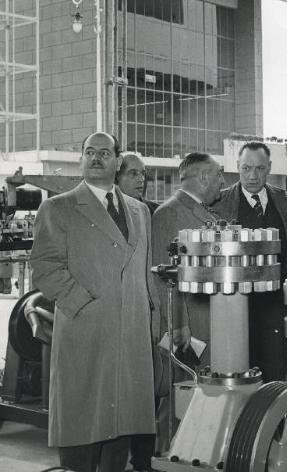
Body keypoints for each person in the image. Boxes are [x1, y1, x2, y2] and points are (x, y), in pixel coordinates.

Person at [30, 132, 159, 472]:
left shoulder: (140, 211)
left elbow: (145, 275)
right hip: (84, 335)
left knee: (121, 436)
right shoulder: (57, 208)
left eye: (105, 152)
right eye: (90, 152)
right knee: (81, 434)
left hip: (131, 339)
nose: (97, 158)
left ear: (118, 161)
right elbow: (44, 267)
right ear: (82, 159)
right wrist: (83, 306)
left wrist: (152, 322)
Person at [214, 141, 287, 381]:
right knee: (239, 373)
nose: (252, 176)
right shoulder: (220, 203)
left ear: (269, 167)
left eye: (259, 169)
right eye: (246, 168)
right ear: (237, 167)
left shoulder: (286, 201)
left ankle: (277, 420)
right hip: (234, 306)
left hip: (275, 306)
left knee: (275, 373)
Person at [152, 152, 225, 367]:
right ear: (204, 176)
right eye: (218, 174)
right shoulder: (169, 214)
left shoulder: (203, 213)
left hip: (207, 323)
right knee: (188, 395)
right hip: (191, 331)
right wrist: (177, 325)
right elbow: (165, 275)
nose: (223, 181)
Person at [115, 151, 158, 472]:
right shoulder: (105, 215)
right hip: (113, 321)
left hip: (145, 318)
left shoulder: (150, 213)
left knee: (146, 396)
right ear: (116, 177)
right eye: (133, 173)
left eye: (143, 173)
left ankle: (142, 461)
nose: (141, 179)